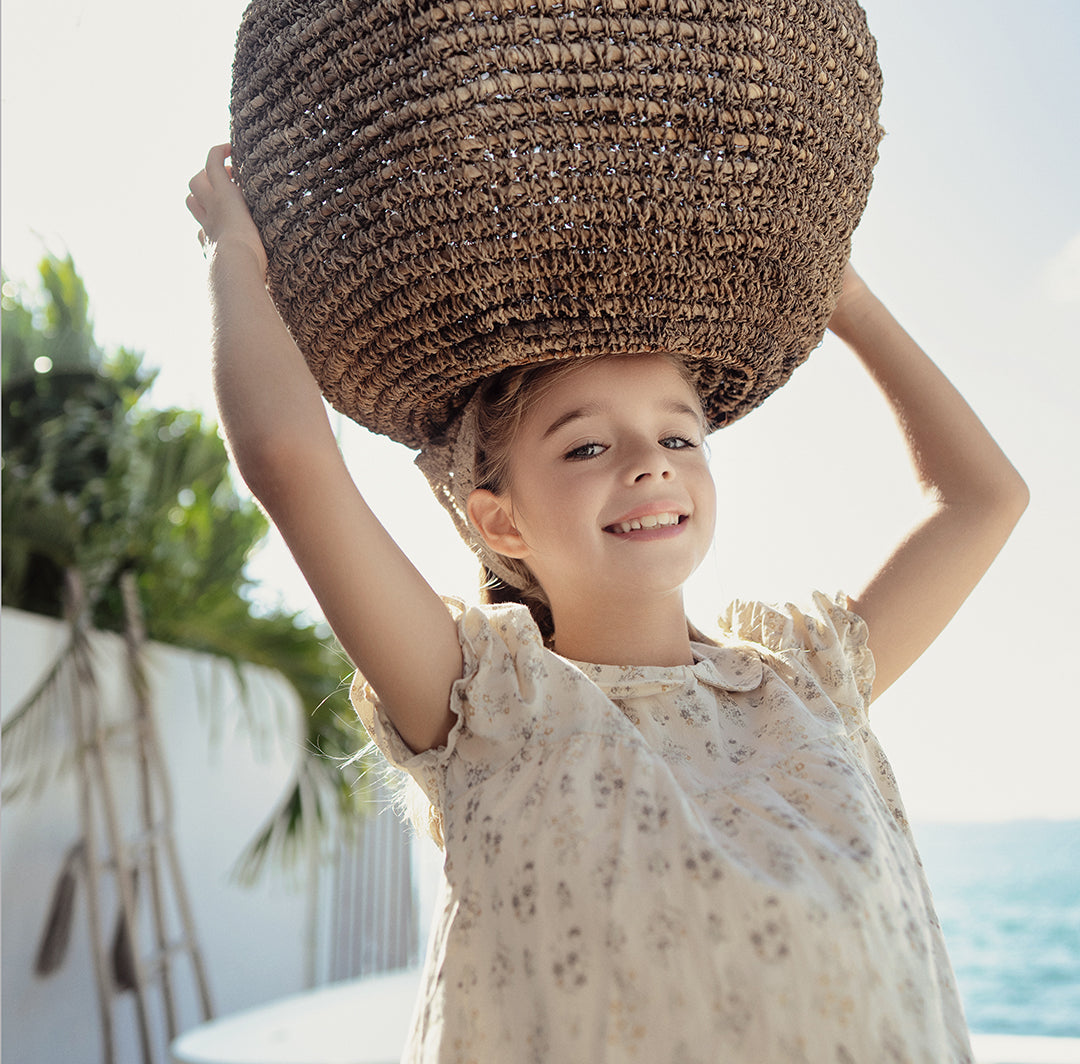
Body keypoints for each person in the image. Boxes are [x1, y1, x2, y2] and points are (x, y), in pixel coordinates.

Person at [187, 142, 1028, 1062]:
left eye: (680, 433)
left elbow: (987, 498)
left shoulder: (809, 684)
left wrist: (845, 298)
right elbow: (288, 461)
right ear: (499, 521)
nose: (651, 460)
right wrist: (233, 255)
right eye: (586, 447)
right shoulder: (486, 701)